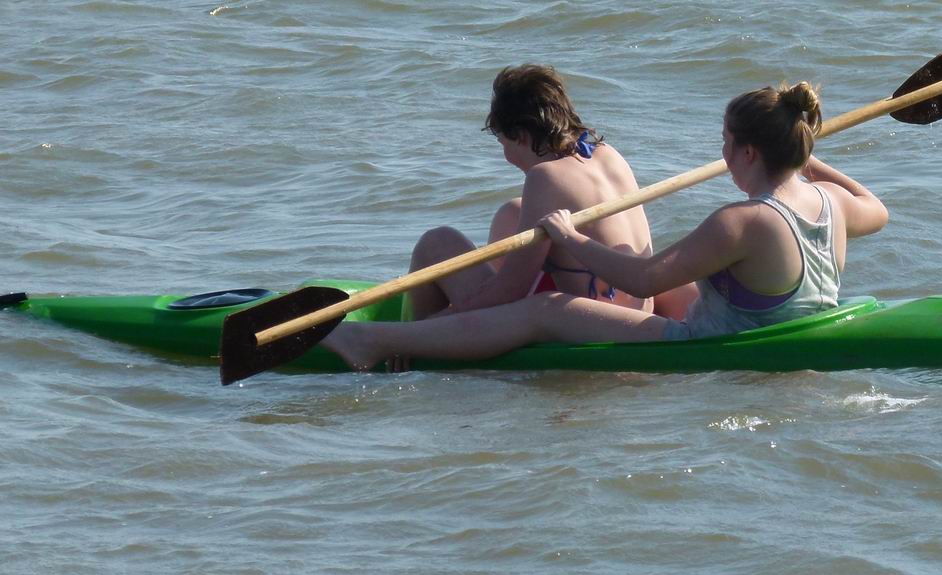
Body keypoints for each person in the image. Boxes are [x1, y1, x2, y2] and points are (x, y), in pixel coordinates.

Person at [323, 82, 888, 370]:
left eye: (725, 143)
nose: (720, 154)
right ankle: (429, 338)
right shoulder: (831, 203)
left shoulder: (740, 221)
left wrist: (570, 238)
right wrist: (807, 163)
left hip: (710, 342)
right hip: (789, 325)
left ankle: (372, 341)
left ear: (746, 152)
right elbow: (876, 208)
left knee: (545, 310)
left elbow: (644, 279)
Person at [400, 64, 657, 322]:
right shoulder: (608, 154)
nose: (506, 155)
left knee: (436, 242)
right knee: (514, 211)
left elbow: (511, 290)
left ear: (521, 136)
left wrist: (449, 316)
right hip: (639, 310)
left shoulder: (546, 176)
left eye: (503, 142)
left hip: (596, 321)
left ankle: (417, 335)